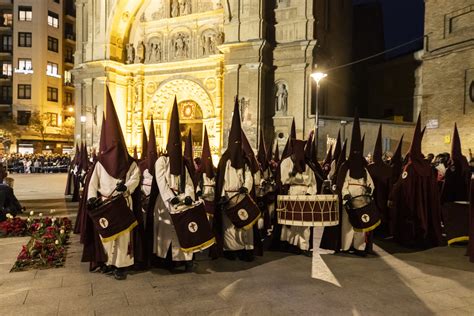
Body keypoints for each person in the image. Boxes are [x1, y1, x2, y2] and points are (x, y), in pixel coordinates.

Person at [86, 87, 141, 280]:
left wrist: (126, 187)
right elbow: (93, 184)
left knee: (123, 236)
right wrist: (92, 199)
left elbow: (136, 177)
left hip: (122, 202)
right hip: (105, 204)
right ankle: (108, 262)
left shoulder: (130, 162)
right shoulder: (100, 164)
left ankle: (121, 265)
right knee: (107, 236)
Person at [152, 97, 195, 272]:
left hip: (182, 201)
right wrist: (171, 199)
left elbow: (190, 184)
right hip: (165, 202)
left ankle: (182, 259)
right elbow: (161, 182)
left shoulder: (183, 164)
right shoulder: (161, 161)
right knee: (165, 230)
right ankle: (166, 259)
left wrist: (187, 198)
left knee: (181, 231)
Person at [390, 114, 444, 248]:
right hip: (426, 203)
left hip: (412, 205)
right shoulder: (428, 167)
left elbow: (402, 185)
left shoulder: (410, 167)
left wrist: (392, 195)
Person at [214, 97, 256, 262]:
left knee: (246, 223)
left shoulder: (244, 161)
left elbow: (249, 176)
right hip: (229, 197)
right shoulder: (225, 161)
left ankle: (246, 249)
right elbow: (222, 181)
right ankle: (231, 250)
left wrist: (246, 187)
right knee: (230, 226)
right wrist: (224, 195)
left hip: (243, 195)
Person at [336, 112, 375, 256]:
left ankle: (359, 247)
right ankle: (346, 246)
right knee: (347, 224)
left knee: (361, 223)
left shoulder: (364, 170)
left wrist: (368, 194)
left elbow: (370, 184)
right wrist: (345, 195)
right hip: (349, 198)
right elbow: (343, 183)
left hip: (362, 198)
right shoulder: (346, 167)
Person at [279, 137, 317, 256]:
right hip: (293, 193)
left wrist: (309, 193)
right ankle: (292, 244)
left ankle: (304, 246)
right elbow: (285, 179)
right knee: (293, 222)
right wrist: (295, 172)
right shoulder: (286, 162)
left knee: (305, 222)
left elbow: (313, 182)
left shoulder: (307, 164)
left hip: (306, 195)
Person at [440, 124, 470, 246]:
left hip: (453, 199)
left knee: (455, 220)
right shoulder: (465, 165)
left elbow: (448, 185)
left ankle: (455, 238)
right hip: (466, 198)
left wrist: (442, 199)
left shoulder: (452, 167)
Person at [367, 125, 393, 249]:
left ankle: (375, 232)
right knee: (382, 212)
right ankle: (382, 231)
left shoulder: (369, 168)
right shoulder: (388, 169)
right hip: (383, 196)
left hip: (374, 196)